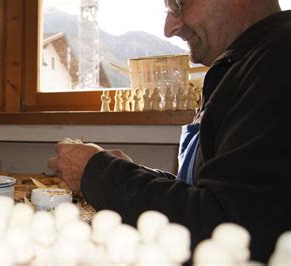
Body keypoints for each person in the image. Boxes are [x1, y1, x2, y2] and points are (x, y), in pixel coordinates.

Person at [47, 0, 291, 262]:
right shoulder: (247, 63)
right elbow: (210, 196)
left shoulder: (279, 63)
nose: (169, 28)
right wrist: (135, 174)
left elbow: (221, 229)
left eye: (178, 4)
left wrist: (97, 172)